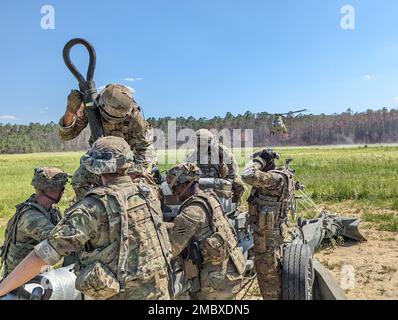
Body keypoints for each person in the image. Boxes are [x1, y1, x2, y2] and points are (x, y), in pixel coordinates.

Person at [0, 136, 172, 300]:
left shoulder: (92, 207)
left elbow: (45, 253)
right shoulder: (147, 192)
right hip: (160, 291)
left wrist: (2, 289)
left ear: (94, 167)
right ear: (127, 163)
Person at [59, 84, 157, 200]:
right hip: (101, 158)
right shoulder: (92, 109)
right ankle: (96, 209)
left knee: (141, 186)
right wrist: (70, 111)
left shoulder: (134, 116)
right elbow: (67, 135)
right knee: (79, 180)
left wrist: (135, 171)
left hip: (127, 161)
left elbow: (145, 149)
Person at [166, 163, 246, 300]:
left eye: (175, 187)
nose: (174, 193)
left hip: (213, 284)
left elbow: (171, 248)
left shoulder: (192, 212)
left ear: (186, 183)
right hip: (229, 273)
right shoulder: (210, 198)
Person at [241, 148, 296, 300]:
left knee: (268, 276)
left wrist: (259, 160)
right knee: (273, 270)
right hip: (272, 232)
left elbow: (247, 175)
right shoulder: (279, 177)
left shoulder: (274, 179)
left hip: (267, 237)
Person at [185, 129, 245, 203]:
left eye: (201, 140)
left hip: (220, 179)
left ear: (209, 140)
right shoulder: (195, 152)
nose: (199, 143)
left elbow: (231, 162)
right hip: (200, 179)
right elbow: (186, 165)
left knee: (239, 185)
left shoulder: (220, 149)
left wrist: (230, 179)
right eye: (197, 141)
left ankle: (234, 204)